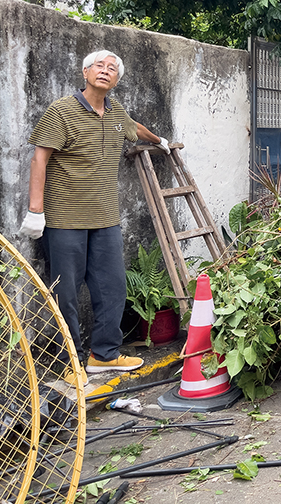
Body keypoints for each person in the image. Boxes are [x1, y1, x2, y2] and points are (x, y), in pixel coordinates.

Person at [19, 50, 170, 387]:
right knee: (66, 293)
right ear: (85, 72)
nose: (105, 70)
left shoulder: (116, 112)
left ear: (116, 79)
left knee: (112, 287)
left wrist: (160, 141)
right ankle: (69, 362)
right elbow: (39, 159)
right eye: (99, 65)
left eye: (112, 68)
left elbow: (134, 128)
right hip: (64, 219)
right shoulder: (61, 111)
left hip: (105, 217)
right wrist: (35, 210)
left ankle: (104, 355)